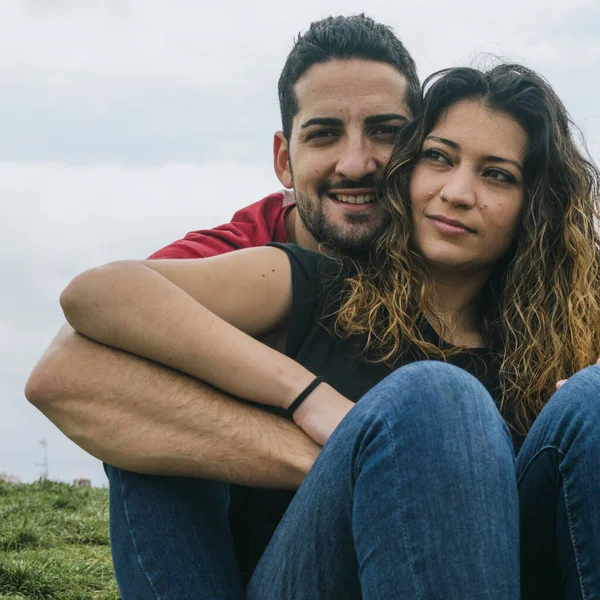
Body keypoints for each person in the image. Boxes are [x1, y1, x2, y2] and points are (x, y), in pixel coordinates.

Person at [58, 62, 600, 598]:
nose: (457, 192)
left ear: (537, 207)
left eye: (497, 175)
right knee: (439, 396)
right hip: (303, 578)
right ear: (407, 170)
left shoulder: (557, 341)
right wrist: (307, 397)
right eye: (439, 158)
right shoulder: (313, 284)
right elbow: (97, 294)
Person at [25, 14, 421, 598]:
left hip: (376, 557)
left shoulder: (449, 253)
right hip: (225, 558)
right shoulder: (233, 254)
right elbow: (62, 373)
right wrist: (337, 456)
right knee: (147, 426)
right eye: (324, 134)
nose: (356, 162)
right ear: (284, 159)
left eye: (385, 131)